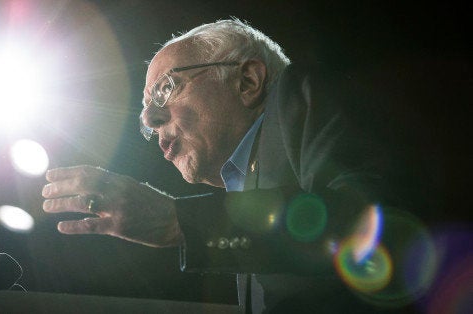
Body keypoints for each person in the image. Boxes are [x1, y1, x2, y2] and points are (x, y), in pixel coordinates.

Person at [41, 19, 424, 313]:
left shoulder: (304, 93)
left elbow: (375, 225)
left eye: (165, 89)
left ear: (248, 80)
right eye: (145, 118)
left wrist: (179, 221)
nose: (153, 120)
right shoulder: (240, 193)